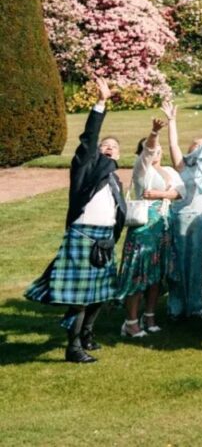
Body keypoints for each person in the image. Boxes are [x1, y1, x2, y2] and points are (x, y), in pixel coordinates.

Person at [25, 77, 125, 363]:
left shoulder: (115, 181)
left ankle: (87, 336)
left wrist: (113, 238)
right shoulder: (85, 168)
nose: (108, 149)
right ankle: (73, 348)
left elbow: (119, 215)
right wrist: (101, 103)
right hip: (83, 237)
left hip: (104, 240)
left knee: (100, 294)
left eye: (113, 148)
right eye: (104, 146)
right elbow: (89, 138)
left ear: (119, 156)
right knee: (80, 297)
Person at [118, 114, 184, 338]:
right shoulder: (142, 170)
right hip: (144, 229)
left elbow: (180, 192)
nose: (157, 151)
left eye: (159, 149)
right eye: (152, 149)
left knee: (156, 276)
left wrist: (160, 194)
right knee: (138, 275)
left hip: (163, 228)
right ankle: (130, 322)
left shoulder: (170, 171)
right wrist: (154, 133)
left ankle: (150, 316)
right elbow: (147, 152)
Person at [161, 101, 202, 323]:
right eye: (196, 145)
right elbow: (173, 145)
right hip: (181, 219)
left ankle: (197, 305)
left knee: (199, 264)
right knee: (178, 264)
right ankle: (177, 305)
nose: (200, 148)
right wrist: (172, 121)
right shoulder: (182, 166)